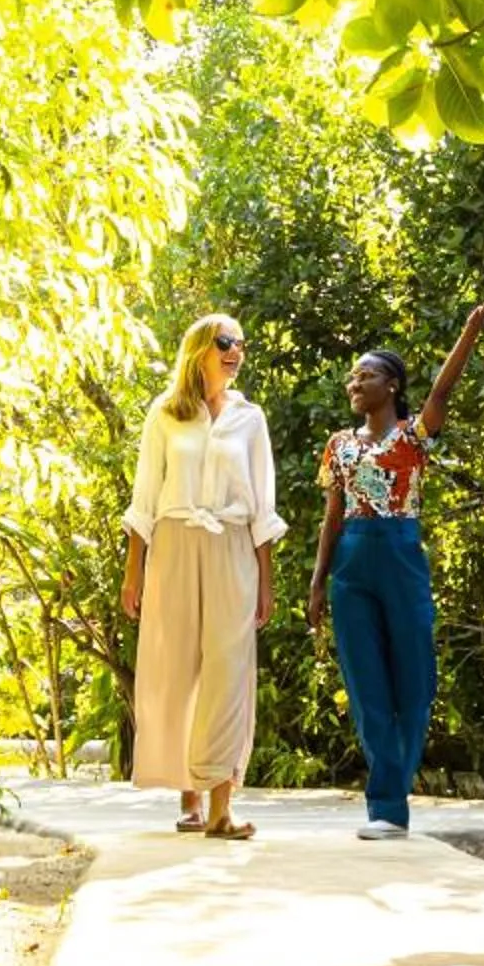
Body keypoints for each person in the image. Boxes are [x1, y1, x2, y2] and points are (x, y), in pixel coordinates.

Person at [307, 303, 484, 841]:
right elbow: (332, 514)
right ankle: (387, 808)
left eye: (365, 374)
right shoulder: (340, 445)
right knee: (367, 689)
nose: (355, 381)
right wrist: (319, 581)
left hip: (400, 553)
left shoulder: (414, 436)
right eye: (352, 376)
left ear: (390, 385)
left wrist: (469, 330)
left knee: (415, 683)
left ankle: (394, 795)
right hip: (351, 562)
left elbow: (440, 393)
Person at [120, 312, 283, 839]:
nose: (236, 351)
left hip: (232, 545)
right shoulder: (166, 414)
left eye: (241, 342)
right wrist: (133, 571)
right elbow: (145, 496)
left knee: (228, 672)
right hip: (173, 543)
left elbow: (262, 503)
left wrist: (266, 578)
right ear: (199, 350)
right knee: (176, 667)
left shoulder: (250, 419)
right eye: (225, 342)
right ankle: (188, 791)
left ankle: (220, 808)